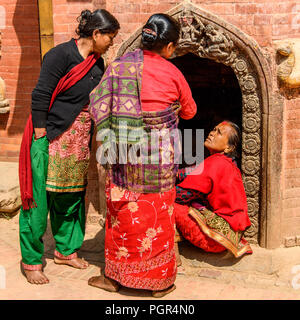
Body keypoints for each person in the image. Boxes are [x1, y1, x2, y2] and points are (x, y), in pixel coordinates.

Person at [88, 13, 197, 297]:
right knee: (160, 213)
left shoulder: (119, 67)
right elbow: (190, 111)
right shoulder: (173, 73)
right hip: (160, 154)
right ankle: (160, 282)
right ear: (170, 47)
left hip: (125, 150)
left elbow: (98, 103)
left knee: (123, 210)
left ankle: (114, 278)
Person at [18, 9, 120, 285]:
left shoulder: (98, 64)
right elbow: (41, 93)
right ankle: (32, 261)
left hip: (77, 142)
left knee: (71, 197)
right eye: (110, 36)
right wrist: (41, 134)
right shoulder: (60, 55)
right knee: (38, 200)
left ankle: (65, 250)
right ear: (96, 33)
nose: (112, 41)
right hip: (49, 136)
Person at [174, 121, 253, 259]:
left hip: (216, 241)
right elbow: (191, 172)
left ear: (229, 148)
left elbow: (180, 195)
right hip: (231, 236)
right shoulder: (224, 163)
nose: (212, 133)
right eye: (214, 129)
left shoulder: (215, 163)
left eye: (219, 133)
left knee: (168, 203)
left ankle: (168, 252)